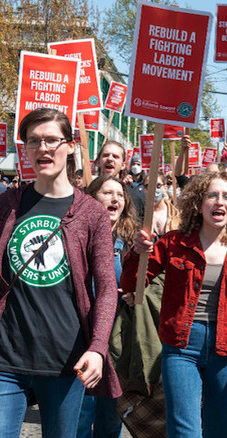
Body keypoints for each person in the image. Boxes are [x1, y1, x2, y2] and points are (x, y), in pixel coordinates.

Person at [0, 108, 122, 437]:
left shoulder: (92, 213)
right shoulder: (6, 204)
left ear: (71, 145)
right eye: (33, 141)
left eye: (51, 140)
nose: (42, 149)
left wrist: (97, 347)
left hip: (66, 359)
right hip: (5, 356)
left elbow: (106, 288)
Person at [120, 171, 227, 437]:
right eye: (212, 195)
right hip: (180, 346)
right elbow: (133, 283)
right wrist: (137, 253)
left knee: (217, 427)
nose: (219, 202)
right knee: (184, 430)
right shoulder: (173, 243)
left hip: (226, 350)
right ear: (198, 204)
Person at [78, 174, 139, 438]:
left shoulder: (135, 243)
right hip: (80, 333)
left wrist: (138, 293)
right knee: (80, 412)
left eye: (119, 194)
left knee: (111, 413)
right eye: (106, 193)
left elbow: (154, 284)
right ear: (91, 199)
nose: (114, 198)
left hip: (117, 337)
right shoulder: (77, 236)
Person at [96, 141, 145, 219]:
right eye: (105, 155)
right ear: (98, 162)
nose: (109, 159)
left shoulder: (134, 197)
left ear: (123, 165)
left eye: (115, 156)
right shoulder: (85, 193)